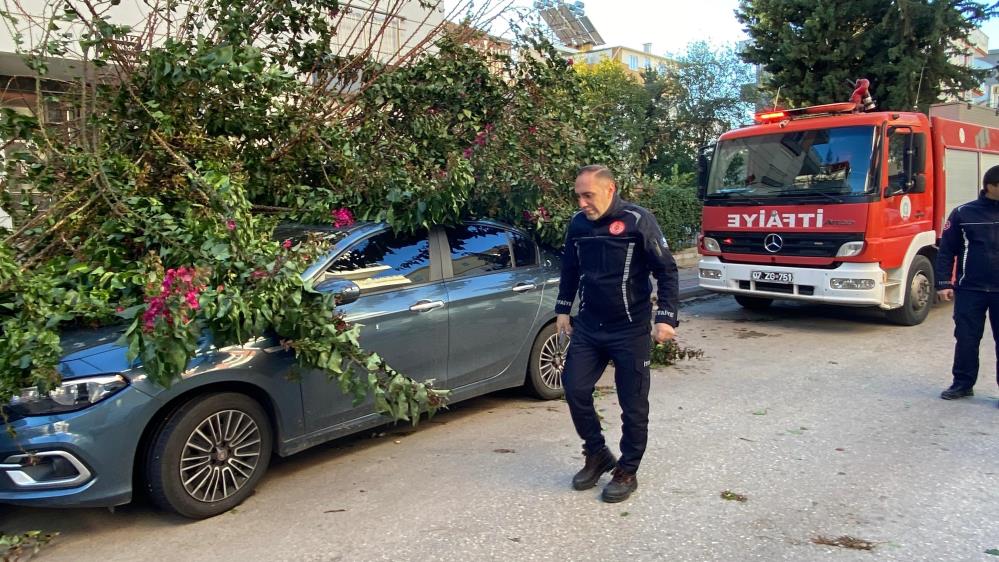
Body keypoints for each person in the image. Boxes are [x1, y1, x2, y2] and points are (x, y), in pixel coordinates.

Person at [555, 165, 679, 503]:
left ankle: (627, 469)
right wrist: (563, 309)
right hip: (590, 326)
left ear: (610, 189)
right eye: (578, 195)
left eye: (588, 195)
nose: (581, 202)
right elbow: (570, 267)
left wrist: (666, 317)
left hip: (630, 330)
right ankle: (597, 454)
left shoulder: (638, 220)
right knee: (575, 388)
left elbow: (666, 269)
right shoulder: (578, 224)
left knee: (633, 405)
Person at [934, 164, 999, 404]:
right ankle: (962, 384)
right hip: (970, 290)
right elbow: (946, 250)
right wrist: (943, 283)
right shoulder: (963, 213)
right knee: (967, 339)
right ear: (991, 186)